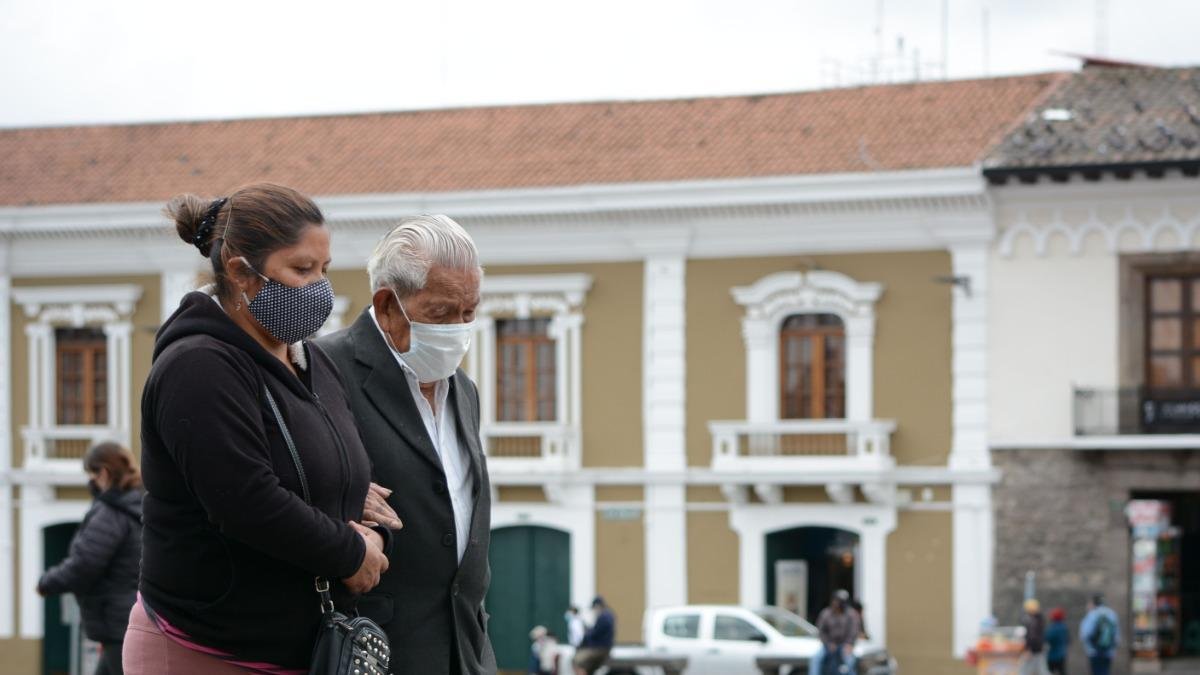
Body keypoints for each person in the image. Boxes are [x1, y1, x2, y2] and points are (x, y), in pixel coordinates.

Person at [125, 184, 393, 674]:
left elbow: (340, 474)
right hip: (208, 648)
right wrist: (351, 551)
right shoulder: (198, 365)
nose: (320, 287)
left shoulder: (310, 361)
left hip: (298, 648)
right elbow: (244, 500)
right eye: (302, 269)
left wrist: (368, 526)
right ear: (240, 272)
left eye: (324, 269)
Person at [314, 214, 496, 674]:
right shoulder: (324, 370)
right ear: (388, 306)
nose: (458, 328)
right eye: (441, 312)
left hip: (464, 652)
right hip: (376, 652)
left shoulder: (465, 391)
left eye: (469, 312)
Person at [38, 442, 144, 675]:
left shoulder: (111, 512)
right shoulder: (140, 504)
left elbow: (85, 564)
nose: (91, 483)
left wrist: (47, 582)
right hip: (131, 618)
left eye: (92, 476)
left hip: (117, 623)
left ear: (104, 473)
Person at [810, 590, 860, 675]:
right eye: (837, 601)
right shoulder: (826, 613)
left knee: (850, 661)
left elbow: (854, 630)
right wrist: (828, 643)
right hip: (828, 645)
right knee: (816, 658)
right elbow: (821, 631)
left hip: (844, 644)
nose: (838, 604)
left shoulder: (850, 614)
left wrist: (849, 644)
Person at [573, 597, 615, 675]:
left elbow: (595, 634)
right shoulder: (608, 615)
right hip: (603, 648)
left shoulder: (604, 617)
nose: (594, 611)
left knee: (577, 660)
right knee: (589, 668)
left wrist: (586, 635)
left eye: (594, 608)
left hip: (600, 649)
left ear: (598, 606)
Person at [1081, 594, 1119, 675]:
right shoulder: (1112, 614)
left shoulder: (1092, 614)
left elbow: (1085, 633)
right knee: (1105, 671)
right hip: (1108, 651)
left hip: (1094, 651)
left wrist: (1089, 646)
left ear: (1094, 603)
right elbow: (1117, 635)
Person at [1020, 598, 1050, 675]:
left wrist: (1028, 649)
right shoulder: (1039, 619)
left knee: (1025, 670)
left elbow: (1032, 636)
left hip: (1034, 649)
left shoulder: (1033, 621)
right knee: (1041, 670)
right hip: (1038, 648)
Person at [1045, 607, 1070, 675]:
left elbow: (1047, 638)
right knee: (1062, 671)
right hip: (1062, 654)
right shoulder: (1064, 627)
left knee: (1050, 672)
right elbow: (1068, 640)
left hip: (1053, 655)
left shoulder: (1053, 628)